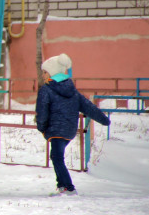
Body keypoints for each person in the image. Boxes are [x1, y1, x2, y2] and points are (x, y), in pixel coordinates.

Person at [36, 53, 111, 197]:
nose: (43, 75)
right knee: (56, 156)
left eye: (45, 72)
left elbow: (42, 111)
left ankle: (69, 188)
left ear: (52, 73)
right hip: (69, 131)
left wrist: (42, 127)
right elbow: (89, 107)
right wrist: (104, 120)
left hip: (55, 130)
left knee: (57, 158)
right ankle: (62, 186)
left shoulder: (46, 90)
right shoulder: (72, 91)